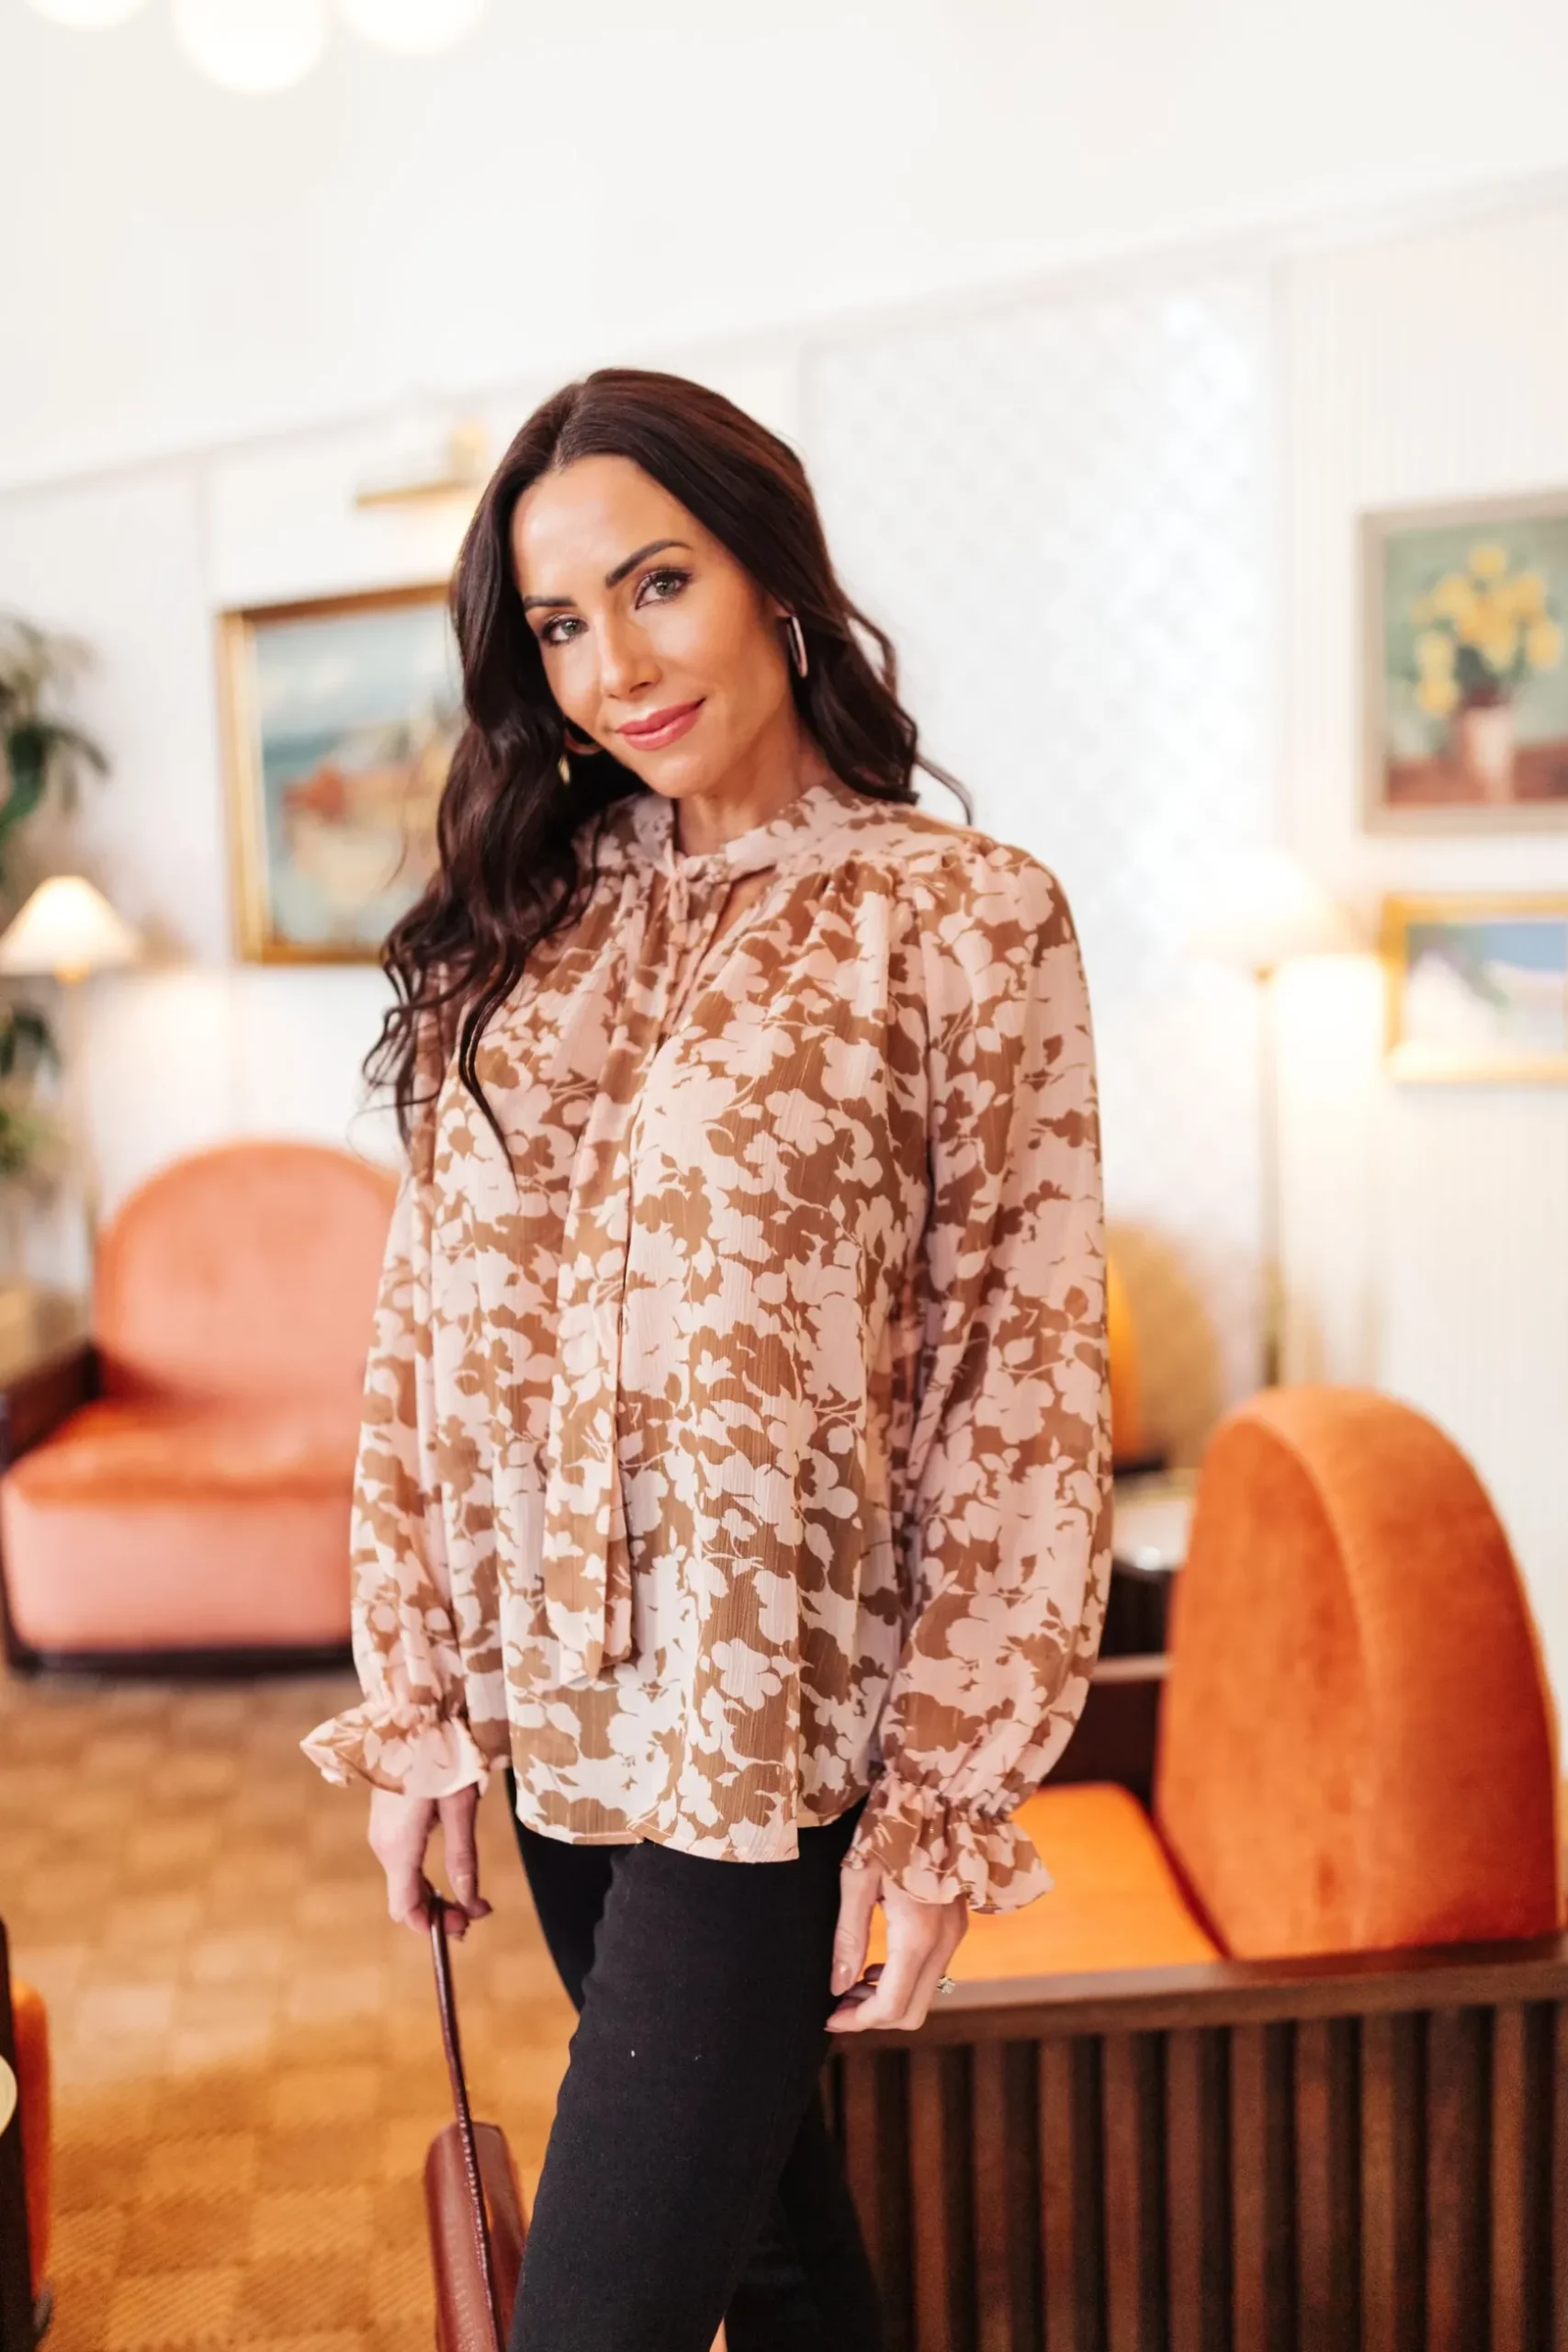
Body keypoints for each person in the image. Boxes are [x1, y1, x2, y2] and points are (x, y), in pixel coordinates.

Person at [301, 366, 1112, 2352]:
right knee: (770, 2253)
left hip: (778, 1737)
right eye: (559, 624)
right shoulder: (523, 928)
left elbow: (1015, 1380)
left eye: (656, 584)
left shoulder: (961, 918)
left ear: (771, 572)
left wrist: (940, 1799)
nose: (615, 667)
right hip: (564, 1724)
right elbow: (425, 1335)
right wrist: (419, 1704)